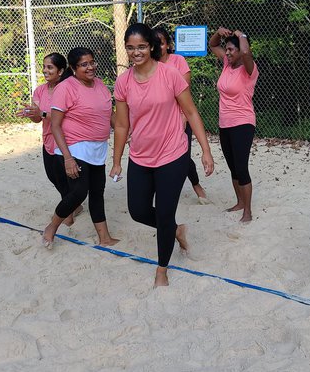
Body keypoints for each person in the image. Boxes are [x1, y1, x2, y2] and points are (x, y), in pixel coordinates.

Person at [111, 23, 214, 287]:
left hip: (172, 154)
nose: (136, 52)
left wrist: (205, 150)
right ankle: (176, 230)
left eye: (142, 47)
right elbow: (121, 125)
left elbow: (191, 112)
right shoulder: (123, 82)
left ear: (152, 47)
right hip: (140, 156)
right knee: (138, 211)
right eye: (130, 48)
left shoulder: (170, 74)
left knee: (165, 213)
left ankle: (162, 269)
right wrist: (116, 161)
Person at [42, 47, 119, 249]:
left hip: (98, 148)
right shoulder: (66, 88)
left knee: (97, 192)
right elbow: (55, 125)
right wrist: (68, 158)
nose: (90, 67)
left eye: (92, 62)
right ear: (73, 68)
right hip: (74, 148)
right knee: (78, 193)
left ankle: (104, 238)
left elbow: (110, 116)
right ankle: (52, 226)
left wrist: (125, 132)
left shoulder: (100, 85)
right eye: (84, 64)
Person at [17, 53, 81, 226]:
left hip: (66, 140)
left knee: (65, 178)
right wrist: (31, 114)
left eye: (50, 67)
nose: (45, 70)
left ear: (60, 71)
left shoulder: (68, 88)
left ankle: (68, 212)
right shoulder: (40, 90)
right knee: (53, 177)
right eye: (44, 67)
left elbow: (67, 117)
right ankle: (74, 205)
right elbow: (38, 119)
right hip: (48, 140)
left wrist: (42, 113)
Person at [208, 26, 259, 223]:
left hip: (243, 122)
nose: (227, 53)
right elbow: (213, 45)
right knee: (232, 166)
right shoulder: (226, 65)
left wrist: (241, 35)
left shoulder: (249, 69)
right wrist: (218, 32)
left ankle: (248, 211)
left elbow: (246, 52)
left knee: (241, 167)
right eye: (227, 49)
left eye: (231, 50)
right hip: (225, 123)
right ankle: (239, 202)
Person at [154, 26, 209, 203]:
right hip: (157, 120)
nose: (158, 47)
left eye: (161, 43)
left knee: (183, 156)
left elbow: (186, 94)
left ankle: (196, 184)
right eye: (154, 43)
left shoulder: (178, 61)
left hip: (179, 116)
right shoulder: (148, 64)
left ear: (168, 44)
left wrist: (184, 117)